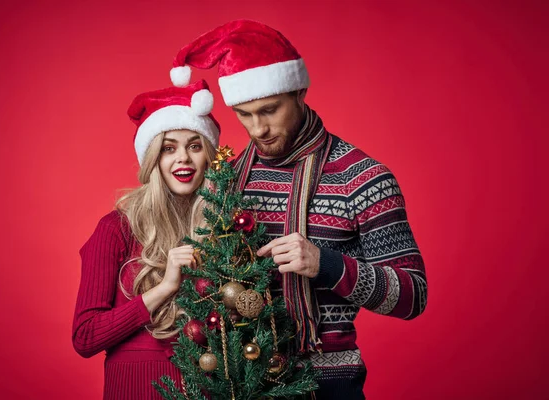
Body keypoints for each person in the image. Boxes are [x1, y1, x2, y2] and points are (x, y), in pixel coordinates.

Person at [168, 20, 428, 399]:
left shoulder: (363, 178)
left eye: (270, 110)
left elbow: (413, 296)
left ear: (299, 91)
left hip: (327, 383)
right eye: (243, 114)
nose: (258, 129)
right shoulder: (226, 182)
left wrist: (326, 264)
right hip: (236, 383)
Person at [72, 80, 220, 399]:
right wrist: (165, 288)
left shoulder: (224, 227)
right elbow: (85, 337)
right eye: (169, 148)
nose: (183, 158)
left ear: (208, 155)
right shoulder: (117, 228)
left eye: (195, 146)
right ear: (153, 157)